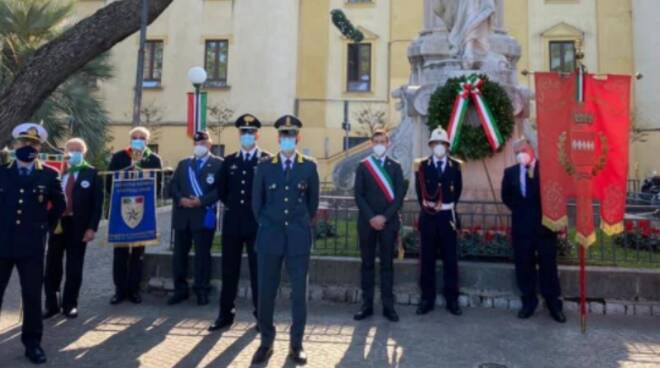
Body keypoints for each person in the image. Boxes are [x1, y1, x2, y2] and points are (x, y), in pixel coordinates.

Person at [250, 115, 319, 366]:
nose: (287, 140)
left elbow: (312, 204)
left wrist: (297, 225)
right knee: (266, 292)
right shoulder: (265, 166)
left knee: (299, 293)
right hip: (270, 237)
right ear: (278, 138)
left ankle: (296, 345)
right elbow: (257, 204)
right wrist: (270, 224)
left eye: (291, 136)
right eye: (283, 136)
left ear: (298, 138)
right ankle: (266, 342)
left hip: (298, 239)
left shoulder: (309, 167)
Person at [0, 123, 66, 364]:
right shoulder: (3, 172)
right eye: (23, 142)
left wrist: (41, 226)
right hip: (2, 244)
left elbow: (59, 206)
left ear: (39, 148)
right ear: (15, 144)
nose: (28, 146)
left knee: (31, 296)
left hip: (32, 246)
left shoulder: (49, 175)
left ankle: (33, 344)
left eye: (33, 143)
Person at [209, 114, 270, 331]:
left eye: (251, 132)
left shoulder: (266, 160)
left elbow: (268, 194)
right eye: (244, 132)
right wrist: (236, 207)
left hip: (257, 225)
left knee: (258, 272)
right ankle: (225, 315)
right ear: (239, 134)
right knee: (229, 271)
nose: (247, 136)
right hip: (233, 223)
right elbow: (222, 191)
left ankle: (260, 316)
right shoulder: (230, 161)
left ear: (257, 134)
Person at [501, 138, 566, 323]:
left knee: (548, 267)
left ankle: (554, 304)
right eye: (516, 152)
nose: (520, 154)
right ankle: (528, 302)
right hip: (522, 229)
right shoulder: (510, 173)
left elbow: (555, 193)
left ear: (532, 149)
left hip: (545, 229)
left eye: (523, 149)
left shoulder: (546, 170)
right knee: (524, 266)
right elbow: (506, 197)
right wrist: (521, 211)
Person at [44, 138, 103, 319]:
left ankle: (70, 304)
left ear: (84, 153)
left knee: (74, 267)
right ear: (65, 152)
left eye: (79, 150)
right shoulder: (56, 172)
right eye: (71, 149)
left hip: (79, 226)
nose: (75, 153)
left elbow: (97, 204)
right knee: (52, 266)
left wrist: (92, 228)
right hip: (57, 225)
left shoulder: (91, 173)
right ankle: (51, 304)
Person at [352, 129, 405, 323]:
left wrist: (384, 217)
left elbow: (399, 196)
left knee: (387, 265)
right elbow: (358, 195)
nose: (379, 144)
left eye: (383, 141)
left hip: (388, 223)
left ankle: (388, 306)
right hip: (367, 223)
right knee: (366, 264)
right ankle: (366, 305)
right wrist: (372, 217)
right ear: (371, 144)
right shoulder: (363, 166)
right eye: (376, 141)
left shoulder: (396, 167)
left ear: (388, 144)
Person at [107, 126, 162, 305]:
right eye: (135, 137)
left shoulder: (153, 159)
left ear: (147, 141)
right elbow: (109, 182)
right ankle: (119, 290)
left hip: (142, 210)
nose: (138, 140)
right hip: (121, 209)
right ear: (130, 140)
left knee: (138, 253)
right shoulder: (120, 157)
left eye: (142, 138)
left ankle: (134, 289)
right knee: (120, 252)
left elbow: (158, 184)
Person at [168, 131, 223, 306]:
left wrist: (202, 201)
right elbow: (173, 186)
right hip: (183, 215)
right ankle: (180, 290)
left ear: (210, 144)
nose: (200, 145)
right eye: (197, 142)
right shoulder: (184, 164)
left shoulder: (219, 164)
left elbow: (221, 189)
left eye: (203, 142)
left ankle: (201, 290)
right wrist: (180, 199)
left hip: (203, 215)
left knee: (202, 256)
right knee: (179, 256)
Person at [414, 127, 463, 316]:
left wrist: (444, 206)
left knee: (450, 259)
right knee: (427, 259)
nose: (439, 146)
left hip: (447, 217)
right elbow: (420, 192)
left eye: (443, 143)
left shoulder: (455, 166)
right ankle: (427, 298)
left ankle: (452, 299)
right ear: (431, 145)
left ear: (447, 146)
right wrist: (430, 207)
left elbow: (457, 191)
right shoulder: (423, 166)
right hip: (429, 216)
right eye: (436, 143)